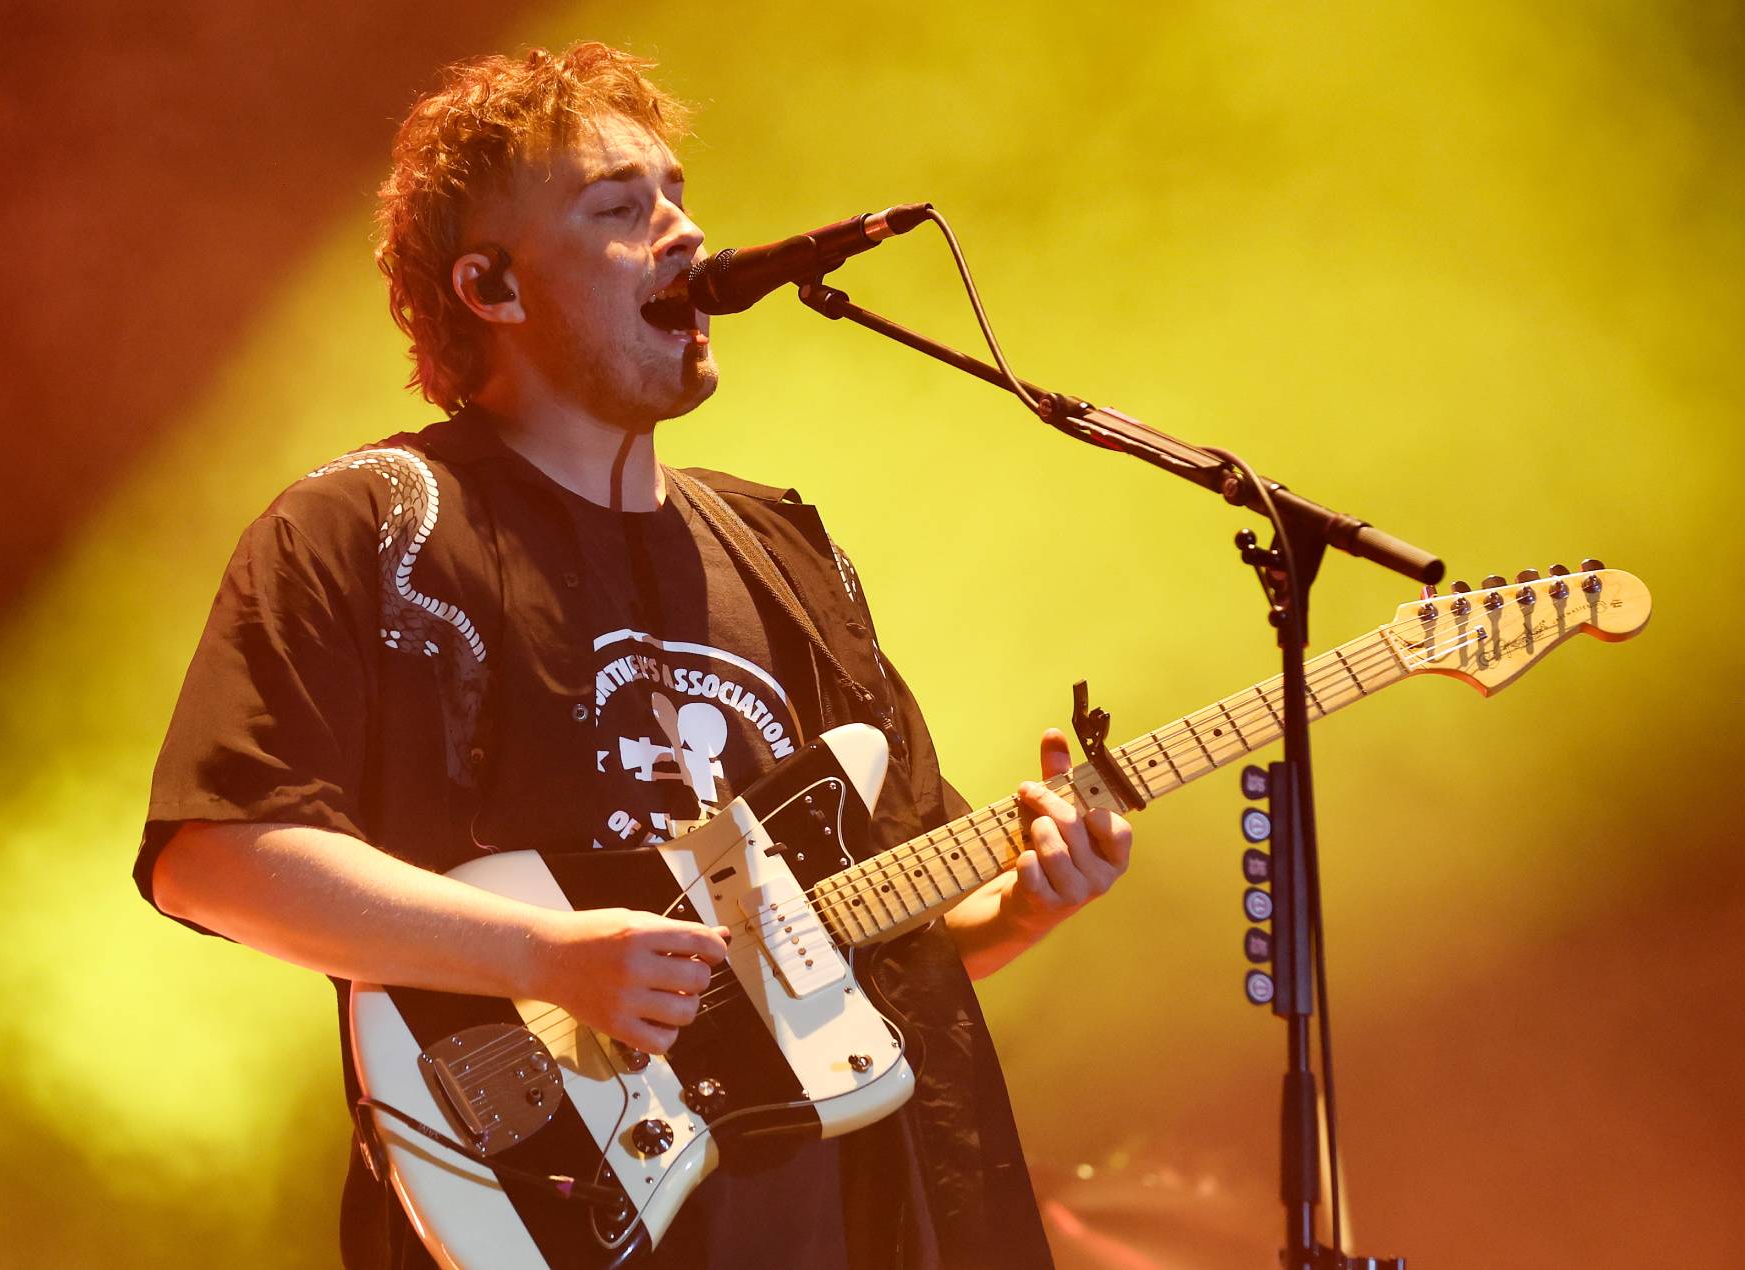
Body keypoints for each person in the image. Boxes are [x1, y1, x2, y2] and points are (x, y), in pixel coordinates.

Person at [135, 41, 1133, 1270]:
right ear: (490, 287)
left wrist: (1022, 903)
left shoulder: (781, 550)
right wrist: (546, 954)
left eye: (674, 192)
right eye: (620, 207)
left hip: (821, 1223)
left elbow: (858, 937)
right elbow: (212, 854)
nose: (682, 232)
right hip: (541, 1201)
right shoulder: (371, 525)